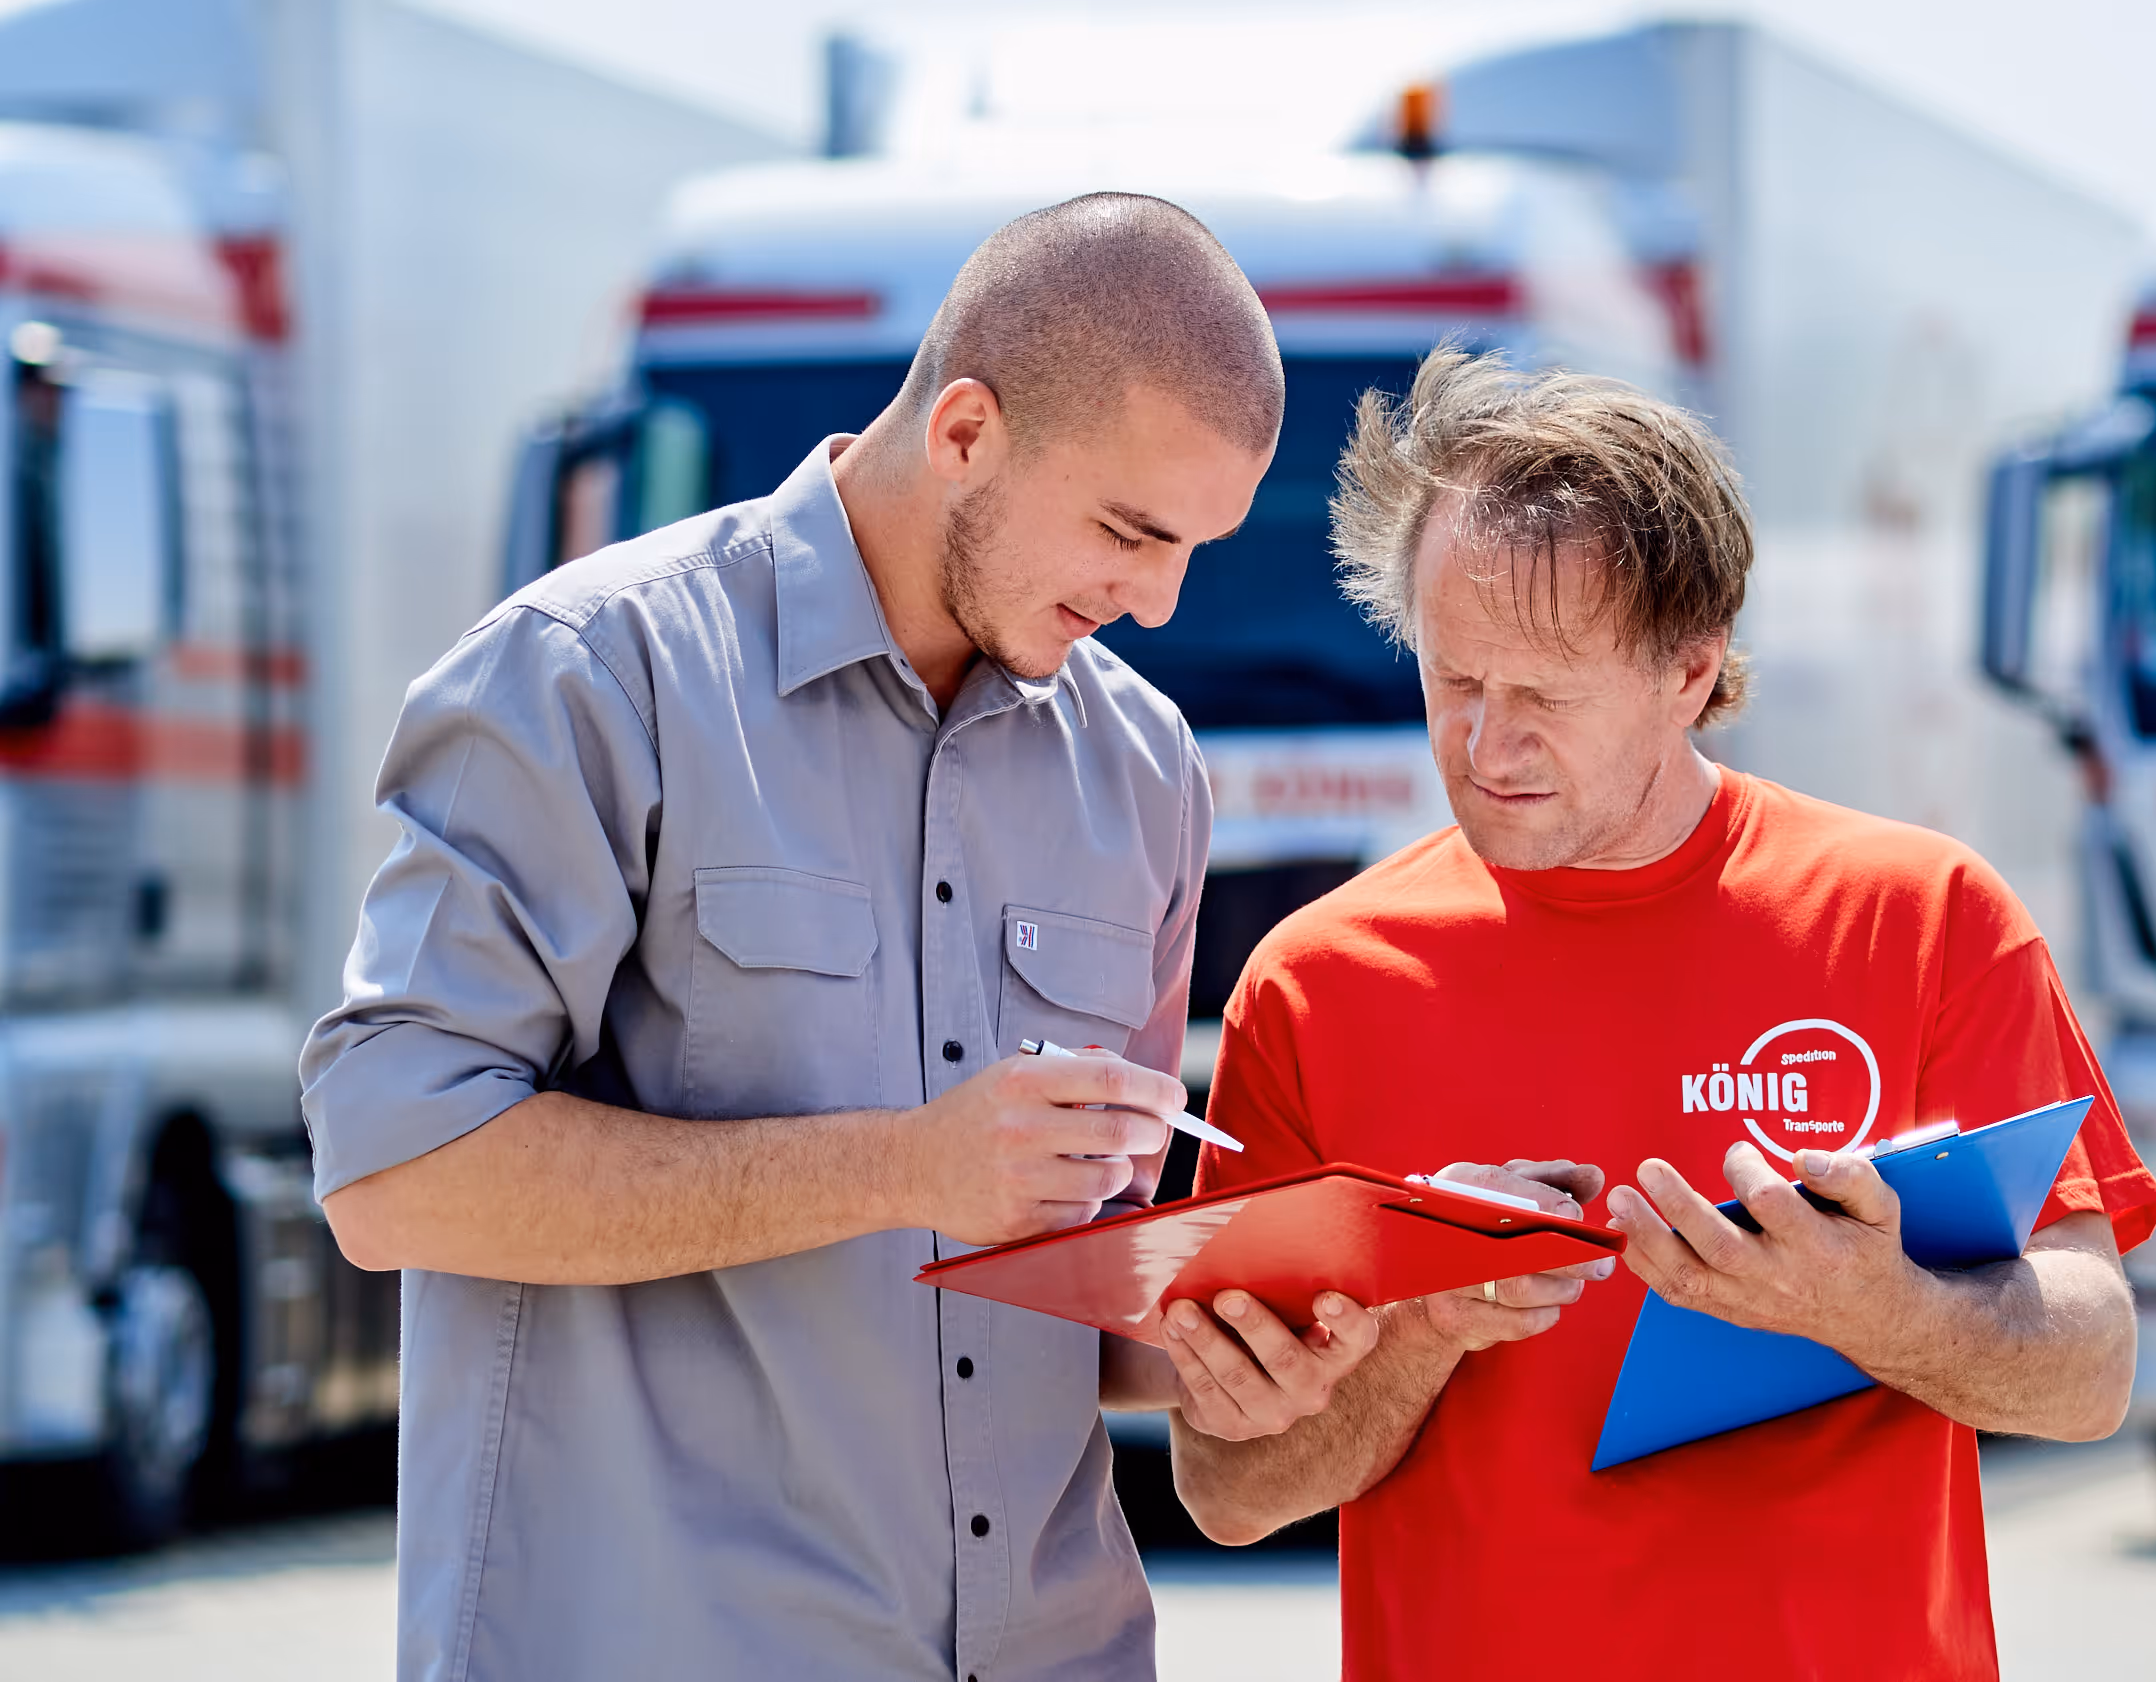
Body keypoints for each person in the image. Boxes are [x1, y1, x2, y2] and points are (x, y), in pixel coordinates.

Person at [300, 193, 1385, 1682]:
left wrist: (1234, 1344)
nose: (1158, 600)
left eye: (1194, 547)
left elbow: (1077, 1279)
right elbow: (394, 1173)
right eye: (1131, 531)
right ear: (965, 432)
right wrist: (903, 1167)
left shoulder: (1145, 771)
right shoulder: (590, 676)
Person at [1157, 346, 2156, 1681]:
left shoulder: (1922, 919)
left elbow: (2094, 1368)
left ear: (1692, 670)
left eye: (1545, 695)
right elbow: (1227, 1488)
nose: (1486, 745)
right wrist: (1424, 1326)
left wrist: (1876, 1308)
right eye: (1454, 681)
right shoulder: (1318, 984)